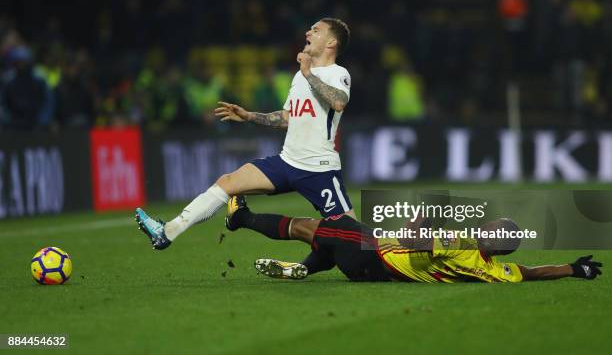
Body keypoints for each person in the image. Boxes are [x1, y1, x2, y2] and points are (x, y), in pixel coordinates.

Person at [135, 18, 354, 249]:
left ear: (331, 42)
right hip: (287, 161)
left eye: (316, 30)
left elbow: (339, 102)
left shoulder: (337, 73)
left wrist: (309, 73)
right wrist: (249, 116)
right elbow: (289, 118)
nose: (308, 32)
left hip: (318, 168)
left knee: (352, 239)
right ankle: (167, 231)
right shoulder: (300, 76)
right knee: (226, 183)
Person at [223, 196, 603, 283]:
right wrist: (572, 268)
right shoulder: (498, 270)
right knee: (333, 242)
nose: (486, 227)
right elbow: (531, 271)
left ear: (492, 238)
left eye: (492, 228)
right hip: (374, 270)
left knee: (323, 225)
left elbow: (414, 241)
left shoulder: (464, 247)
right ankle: (305, 268)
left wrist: (420, 218)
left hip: (378, 257)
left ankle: (242, 217)